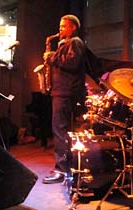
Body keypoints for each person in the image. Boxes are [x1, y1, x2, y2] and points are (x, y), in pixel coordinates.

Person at [42, 14, 87, 184]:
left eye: (63, 26)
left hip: (65, 93)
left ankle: (61, 171)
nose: (59, 29)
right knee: (62, 132)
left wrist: (51, 57)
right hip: (63, 92)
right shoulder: (67, 43)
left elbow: (72, 62)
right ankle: (66, 168)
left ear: (73, 27)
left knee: (59, 131)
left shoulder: (75, 42)